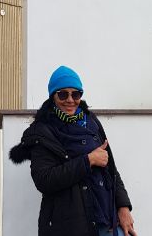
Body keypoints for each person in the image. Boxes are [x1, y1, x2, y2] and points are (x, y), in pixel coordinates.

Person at [9, 66, 136, 236]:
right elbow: (44, 180)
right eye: (63, 94)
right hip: (71, 226)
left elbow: (111, 169)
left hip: (109, 220)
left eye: (76, 94)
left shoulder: (91, 121)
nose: (70, 100)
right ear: (53, 96)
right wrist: (88, 160)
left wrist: (123, 207)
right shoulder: (43, 131)